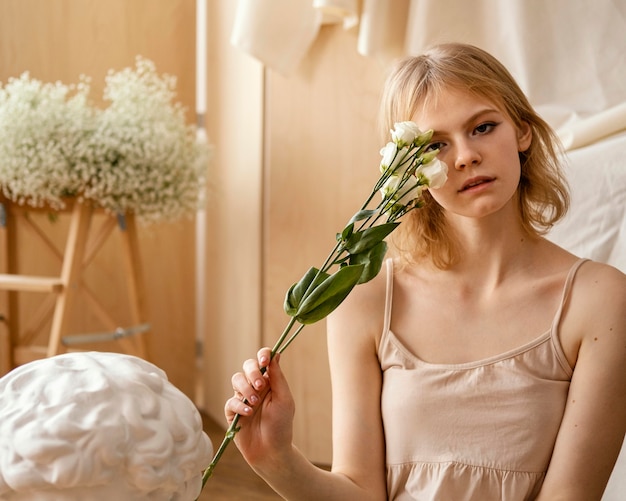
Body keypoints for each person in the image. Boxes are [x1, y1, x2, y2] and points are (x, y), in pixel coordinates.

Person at [226, 42, 626, 500]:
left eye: (483, 127)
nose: (464, 157)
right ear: (406, 169)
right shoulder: (365, 300)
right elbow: (361, 491)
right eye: (435, 144)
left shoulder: (600, 301)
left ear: (523, 131)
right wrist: (275, 460)